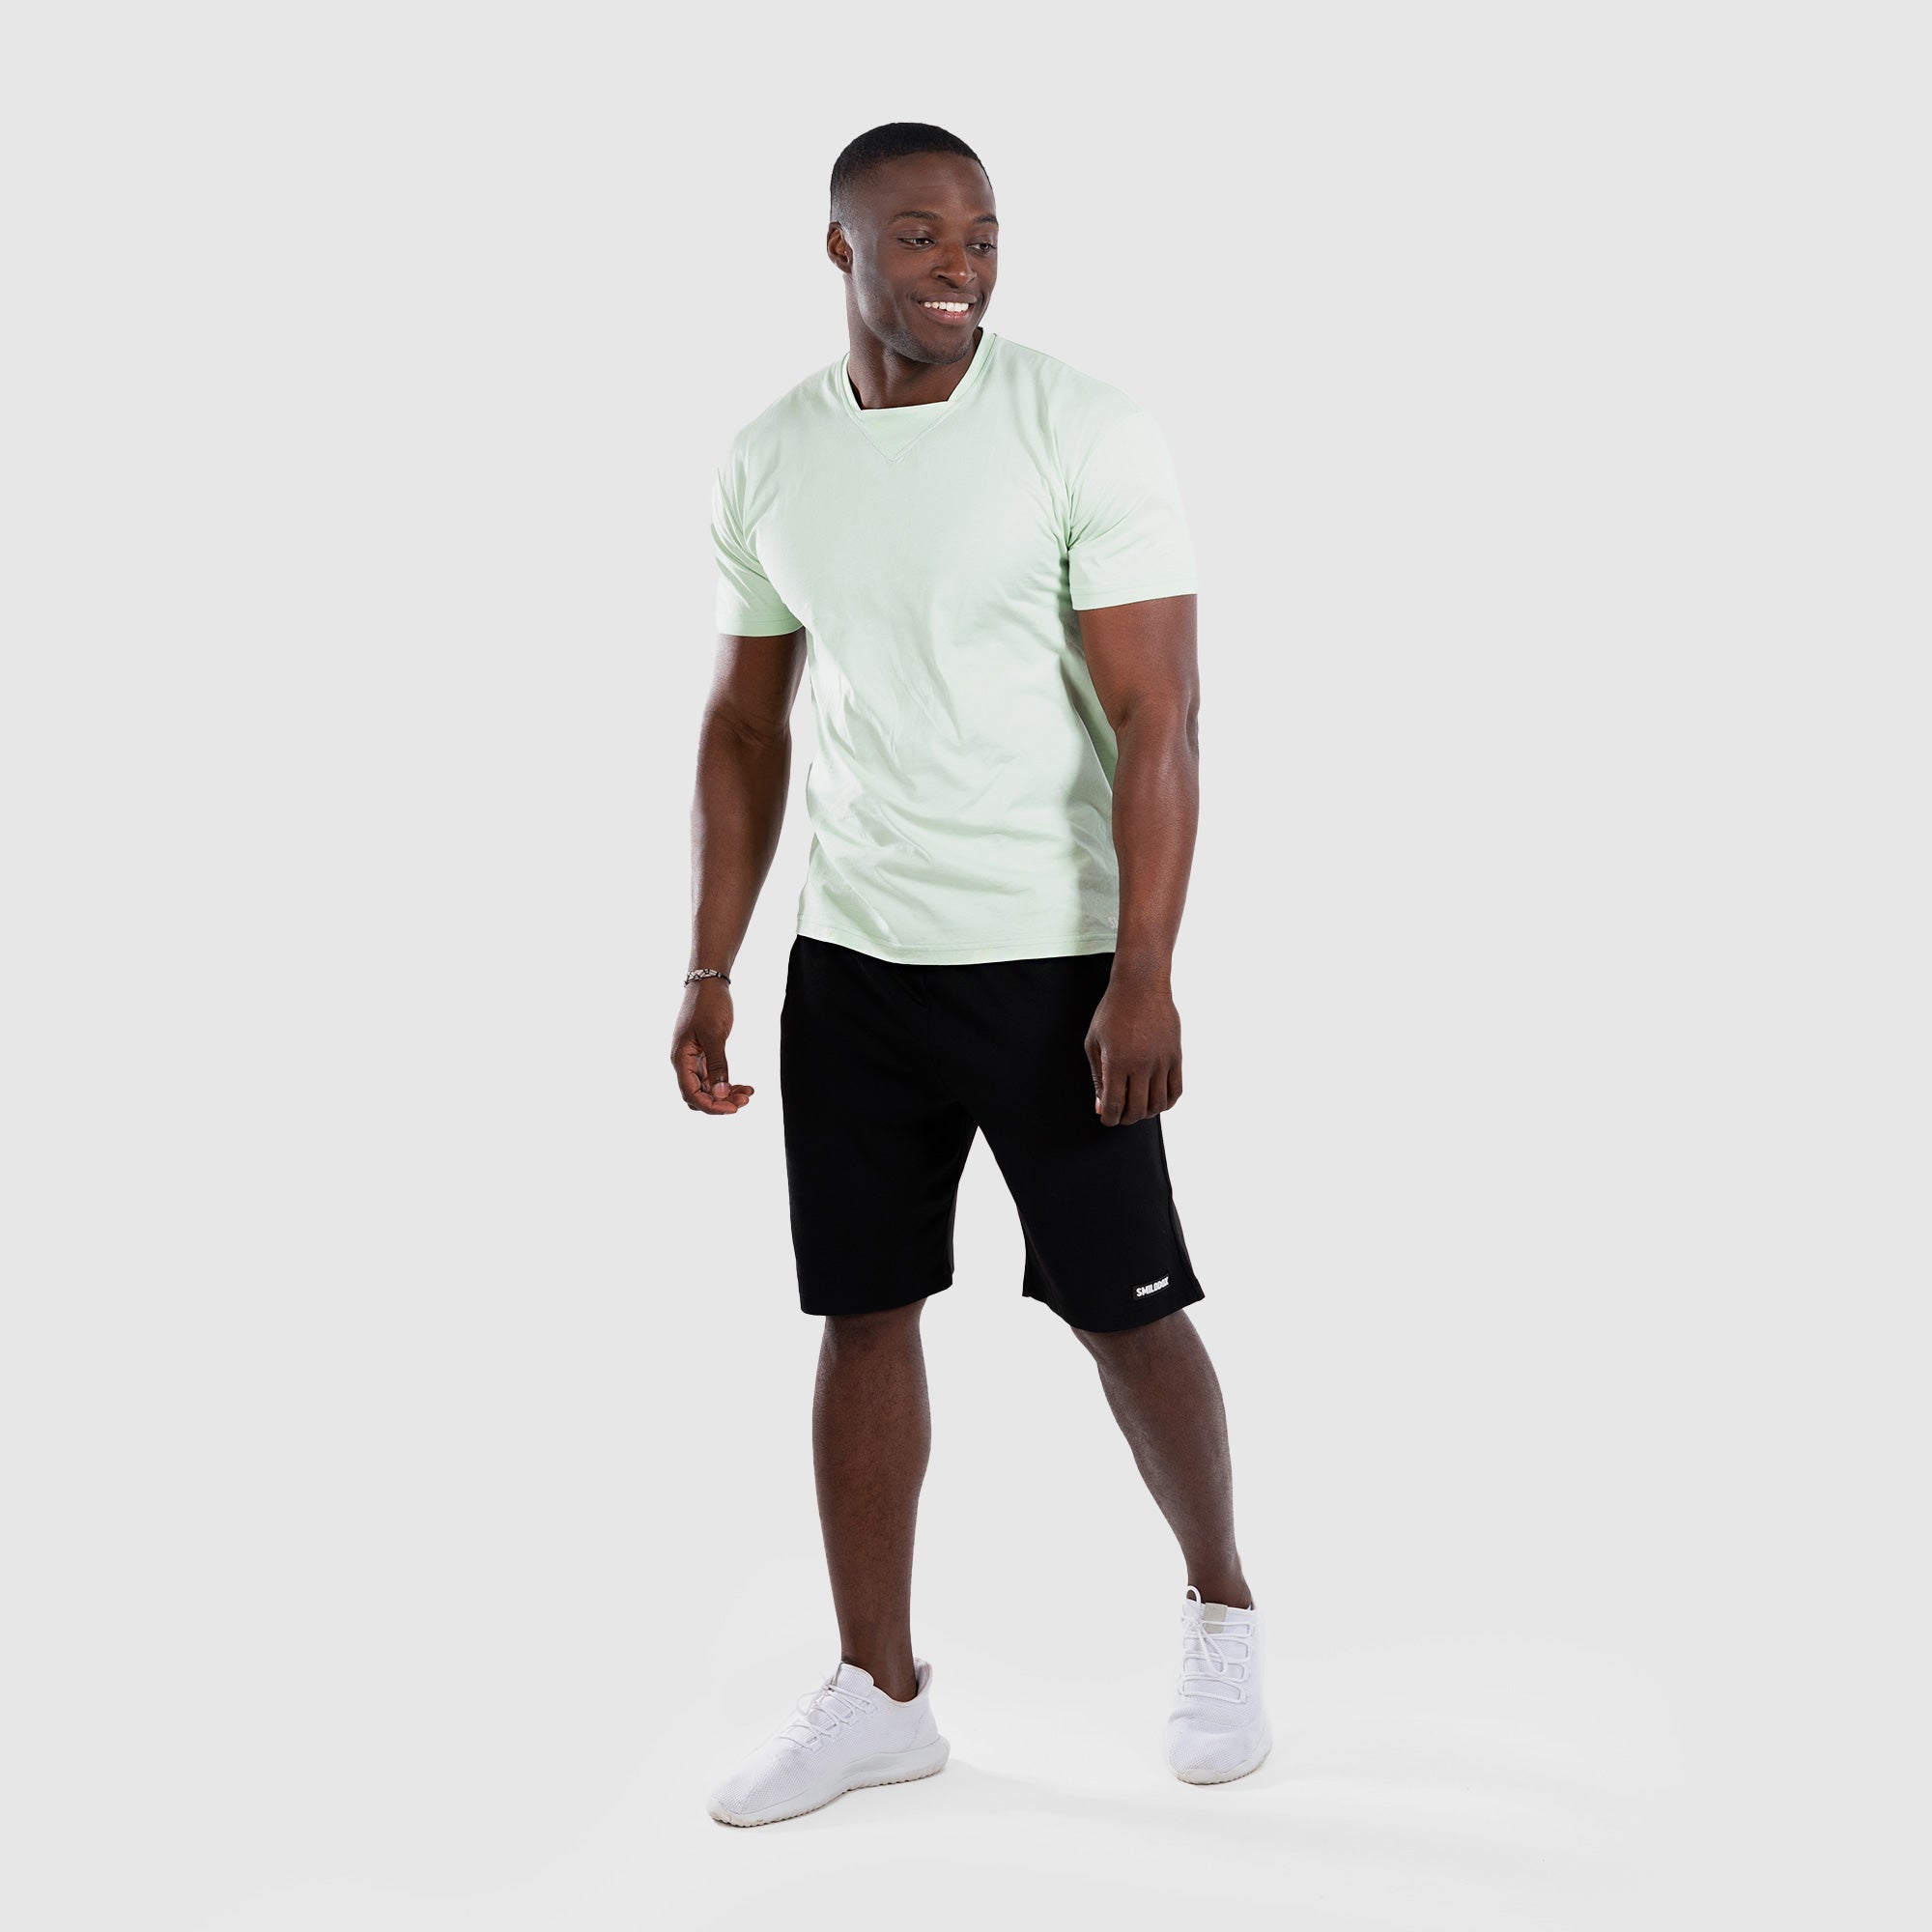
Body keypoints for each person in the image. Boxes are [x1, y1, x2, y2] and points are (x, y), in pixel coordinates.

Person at [674, 122, 1267, 1829]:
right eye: (923, 235)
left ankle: (1223, 1610)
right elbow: (743, 723)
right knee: (862, 1311)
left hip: (1055, 957)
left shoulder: (1082, 426)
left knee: (1124, 1309)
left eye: (985, 235)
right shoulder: (771, 456)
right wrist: (710, 961)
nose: (962, 266)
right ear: (842, 247)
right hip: (856, 959)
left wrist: (1144, 969)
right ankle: (880, 1694)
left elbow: (1162, 715)